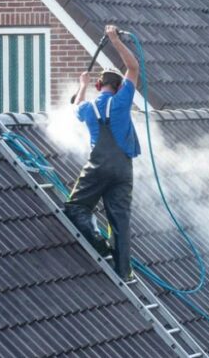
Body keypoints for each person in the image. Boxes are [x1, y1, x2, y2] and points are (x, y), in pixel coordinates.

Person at [65, 25, 141, 280]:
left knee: (76, 207)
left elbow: (75, 106)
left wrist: (82, 85)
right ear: (119, 87)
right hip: (123, 170)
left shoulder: (88, 108)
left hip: (97, 167)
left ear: (99, 86)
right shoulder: (122, 101)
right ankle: (123, 271)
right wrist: (114, 40)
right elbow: (133, 67)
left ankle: (99, 245)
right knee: (120, 220)